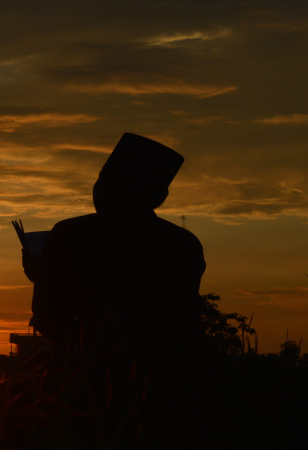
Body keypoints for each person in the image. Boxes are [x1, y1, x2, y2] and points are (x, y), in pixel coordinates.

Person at [23, 133, 205, 367]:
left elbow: (51, 320)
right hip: (164, 372)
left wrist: (42, 277)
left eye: (106, 180)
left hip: (86, 371)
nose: (98, 187)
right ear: (160, 197)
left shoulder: (71, 235)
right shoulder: (183, 244)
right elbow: (182, 324)